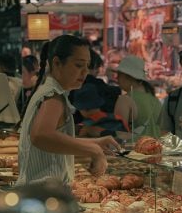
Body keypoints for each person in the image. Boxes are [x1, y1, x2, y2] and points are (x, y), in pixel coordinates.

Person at [18, 35, 120, 186]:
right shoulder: (53, 96)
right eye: (79, 65)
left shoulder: (48, 91)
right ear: (57, 63)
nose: (85, 72)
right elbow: (41, 135)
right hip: (45, 196)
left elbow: (54, 139)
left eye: (87, 66)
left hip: (38, 195)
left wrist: (95, 142)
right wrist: (93, 150)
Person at [114, 55, 162, 137]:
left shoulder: (125, 100)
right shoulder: (155, 100)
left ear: (127, 76)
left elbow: (118, 135)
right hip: (158, 149)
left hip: (135, 149)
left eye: (119, 75)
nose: (116, 78)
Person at [69, 49, 121, 121]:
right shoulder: (94, 83)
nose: (98, 71)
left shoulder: (69, 82)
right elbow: (114, 92)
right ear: (94, 66)